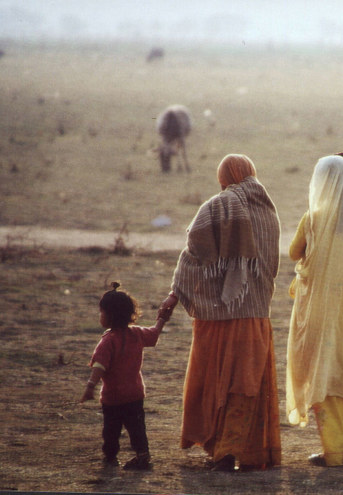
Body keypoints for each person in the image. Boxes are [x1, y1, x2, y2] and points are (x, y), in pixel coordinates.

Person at [159, 154, 281, 471]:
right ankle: (247, 452)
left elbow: (195, 253)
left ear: (225, 177)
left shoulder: (217, 206)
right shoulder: (269, 210)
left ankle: (222, 453)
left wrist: (175, 293)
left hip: (218, 316)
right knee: (246, 384)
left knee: (215, 383)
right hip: (256, 314)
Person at [286, 154, 343, 467]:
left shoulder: (313, 219)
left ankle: (334, 451)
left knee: (324, 377)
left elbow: (293, 253)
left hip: (322, 313)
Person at [81, 282, 172, 470]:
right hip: (135, 394)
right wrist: (162, 319)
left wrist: (90, 387)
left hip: (113, 398)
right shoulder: (137, 333)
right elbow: (154, 335)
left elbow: (99, 366)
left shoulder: (107, 341)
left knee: (111, 431)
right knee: (137, 428)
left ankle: (110, 457)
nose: (101, 316)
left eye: (102, 312)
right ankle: (142, 454)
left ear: (109, 315)